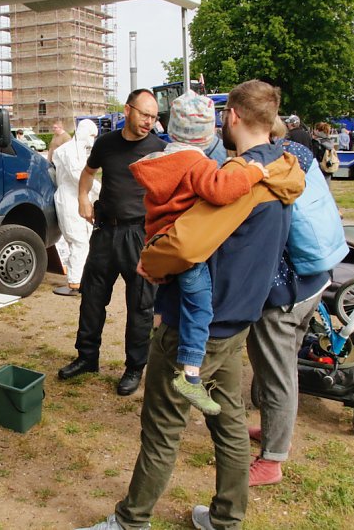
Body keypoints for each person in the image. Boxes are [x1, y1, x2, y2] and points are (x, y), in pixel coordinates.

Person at [79, 80, 305, 530]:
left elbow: (184, 244)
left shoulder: (240, 179)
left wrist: (150, 261)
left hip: (196, 326)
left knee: (163, 428)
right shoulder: (282, 170)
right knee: (230, 423)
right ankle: (226, 518)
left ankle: (131, 521)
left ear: (233, 116)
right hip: (238, 321)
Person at [129, 90, 267, 414]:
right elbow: (221, 189)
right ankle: (191, 373)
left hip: (159, 241)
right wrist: (254, 172)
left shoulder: (160, 161)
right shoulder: (196, 164)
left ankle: (161, 330)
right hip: (186, 249)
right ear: (207, 136)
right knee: (200, 306)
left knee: (172, 297)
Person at [246, 117, 339, 487]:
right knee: (284, 369)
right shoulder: (299, 152)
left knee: (276, 376)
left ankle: (272, 460)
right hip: (315, 278)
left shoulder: (262, 166)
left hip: (284, 290)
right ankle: (274, 432)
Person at [57, 89, 165, 396]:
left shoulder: (159, 149)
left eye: (153, 117)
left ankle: (134, 367)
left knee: (140, 306)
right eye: (144, 114)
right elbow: (88, 172)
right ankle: (87, 357)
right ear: (128, 110)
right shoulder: (105, 144)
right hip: (105, 232)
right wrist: (82, 197)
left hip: (139, 236)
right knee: (92, 298)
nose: (149, 122)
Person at [52, 119, 100, 296]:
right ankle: (75, 281)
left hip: (80, 198)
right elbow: (77, 176)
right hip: (69, 199)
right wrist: (100, 189)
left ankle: (81, 278)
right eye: (91, 135)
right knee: (78, 240)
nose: (92, 139)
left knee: (85, 239)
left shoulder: (81, 151)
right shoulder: (68, 150)